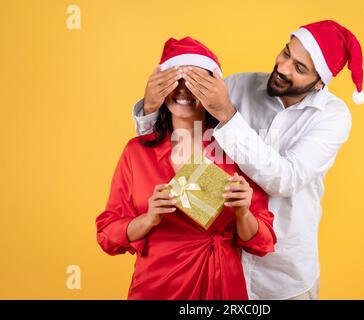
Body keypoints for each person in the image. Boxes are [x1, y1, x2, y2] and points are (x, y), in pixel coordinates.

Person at [132, 20, 364, 300]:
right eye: (286, 53)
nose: (283, 67)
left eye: (300, 68)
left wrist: (229, 115)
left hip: (284, 274)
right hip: (218, 264)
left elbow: (285, 179)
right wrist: (150, 107)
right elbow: (173, 137)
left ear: (319, 83)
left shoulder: (333, 117)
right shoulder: (237, 86)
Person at [96, 37, 277, 300]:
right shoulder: (137, 152)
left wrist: (243, 213)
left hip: (222, 284)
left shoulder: (236, 149)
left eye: (194, 81)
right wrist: (148, 219)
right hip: (158, 286)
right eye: (175, 81)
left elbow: (264, 242)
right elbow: (107, 235)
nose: (183, 90)